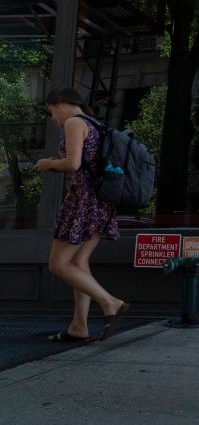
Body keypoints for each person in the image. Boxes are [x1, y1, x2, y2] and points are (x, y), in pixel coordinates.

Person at [35, 87, 130, 343]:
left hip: (82, 202)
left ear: (60, 102)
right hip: (101, 203)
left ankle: (110, 302)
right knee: (78, 263)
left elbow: (73, 163)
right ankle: (79, 326)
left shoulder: (74, 122)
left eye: (51, 111)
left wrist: (49, 163)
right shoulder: (96, 125)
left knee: (58, 264)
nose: (53, 118)